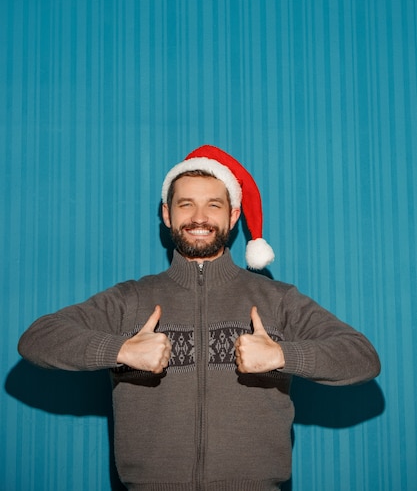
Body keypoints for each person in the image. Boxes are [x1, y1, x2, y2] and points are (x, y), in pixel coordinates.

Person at [18, 144, 381, 491]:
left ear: (233, 215)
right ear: (166, 214)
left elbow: (362, 357)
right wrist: (121, 350)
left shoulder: (278, 299)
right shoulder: (130, 298)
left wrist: (282, 356)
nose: (199, 218)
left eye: (213, 205)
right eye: (186, 204)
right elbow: (37, 338)